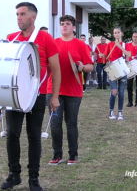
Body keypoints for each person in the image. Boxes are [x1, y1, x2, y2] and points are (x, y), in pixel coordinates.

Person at [1, 2, 61, 191]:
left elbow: (56, 69)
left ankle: (33, 178)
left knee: (34, 136)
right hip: (14, 95)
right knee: (12, 134)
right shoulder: (12, 38)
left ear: (33, 17)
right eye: (17, 14)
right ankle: (14, 174)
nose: (18, 17)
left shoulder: (45, 38)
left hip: (37, 94)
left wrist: (54, 96)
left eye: (22, 14)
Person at [46, 15, 93, 166]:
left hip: (73, 89)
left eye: (67, 24)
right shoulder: (53, 43)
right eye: (62, 24)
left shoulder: (81, 45)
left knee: (71, 123)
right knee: (55, 122)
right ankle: (57, 154)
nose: (64, 26)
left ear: (74, 27)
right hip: (54, 90)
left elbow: (91, 66)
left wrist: (82, 67)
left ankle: (73, 155)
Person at [103, 27, 131, 119]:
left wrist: (119, 46)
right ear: (114, 34)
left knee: (121, 92)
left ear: (121, 33)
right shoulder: (110, 44)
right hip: (112, 69)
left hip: (122, 68)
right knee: (114, 92)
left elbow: (129, 55)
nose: (117, 34)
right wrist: (101, 55)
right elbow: (105, 55)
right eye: (115, 33)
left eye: (118, 32)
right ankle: (111, 111)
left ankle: (120, 112)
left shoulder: (126, 45)